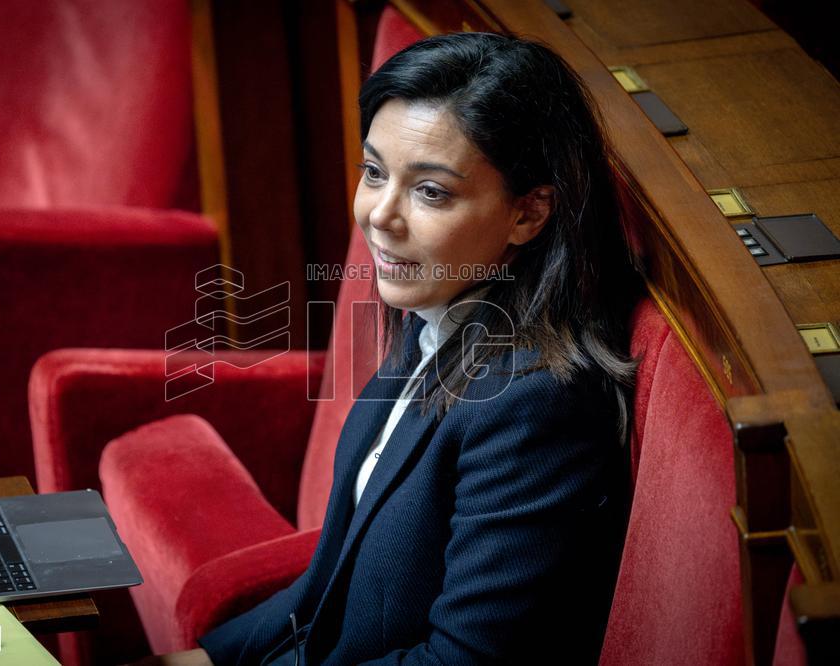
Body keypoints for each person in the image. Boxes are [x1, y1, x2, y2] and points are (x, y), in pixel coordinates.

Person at [147, 30, 642, 665]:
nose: (380, 215)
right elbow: (324, 589)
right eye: (375, 172)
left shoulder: (537, 404)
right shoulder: (436, 313)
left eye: (431, 191)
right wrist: (199, 660)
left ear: (529, 213)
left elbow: (461, 661)